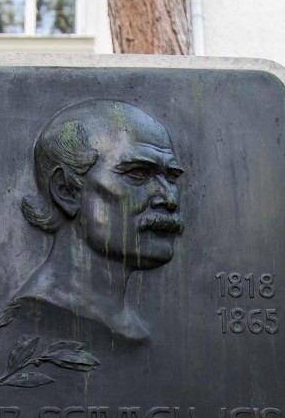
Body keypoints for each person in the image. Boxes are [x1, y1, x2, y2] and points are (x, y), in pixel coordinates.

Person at [13, 99, 186, 344]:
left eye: (171, 178)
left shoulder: (135, 329)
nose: (169, 199)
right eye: (137, 174)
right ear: (66, 191)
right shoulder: (28, 320)